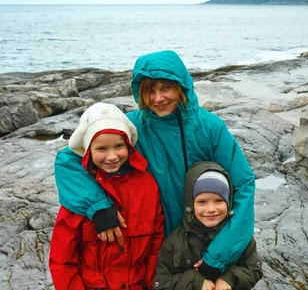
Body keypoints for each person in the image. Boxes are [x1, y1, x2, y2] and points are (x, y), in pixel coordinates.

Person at [54, 50, 256, 282]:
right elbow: (69, 160)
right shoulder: (133, 126)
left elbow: (244, 184)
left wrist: (219, 254)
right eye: (149, 90)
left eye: (165, 88)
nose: (157, 99)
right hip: (157, 246)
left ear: (181, 86)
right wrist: (98, 207)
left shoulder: (209, 127)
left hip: (207, 238)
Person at [49, 103, 165, 290]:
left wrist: (151, 284)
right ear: (88, 151)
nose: (112, 156)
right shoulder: (78, 197)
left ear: (129, 145)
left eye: (119, 146)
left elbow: (156, 246)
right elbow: (62, 259)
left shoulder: (148, 186)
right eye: (101, 149)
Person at [153, 161, 263, 290]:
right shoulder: (174, 242)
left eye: (219, 200)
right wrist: (196, 282)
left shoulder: (240, 237)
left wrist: (230, 279)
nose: (211, 209)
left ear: (229, 202)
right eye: (202, 202)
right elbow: (160, 283)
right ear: (190, 205)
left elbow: (254, 270)